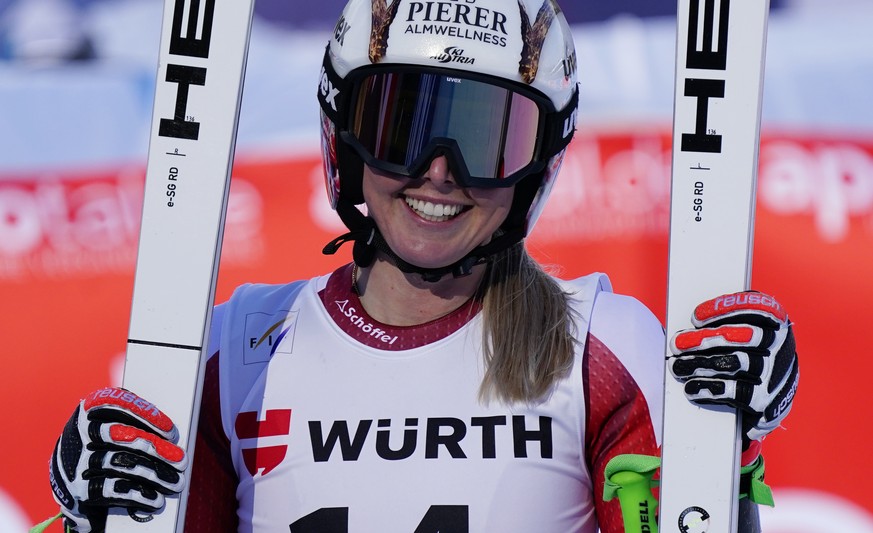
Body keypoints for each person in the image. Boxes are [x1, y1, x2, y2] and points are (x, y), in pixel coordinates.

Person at [40, 0, 799, 532]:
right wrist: (93, 517)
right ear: (344, 138)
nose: (440, 172)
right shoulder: (233, 353)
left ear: (536, 168)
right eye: (402, 125)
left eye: (487, 135)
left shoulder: (597, 347)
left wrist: (723, 455)